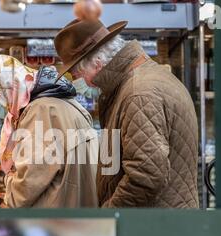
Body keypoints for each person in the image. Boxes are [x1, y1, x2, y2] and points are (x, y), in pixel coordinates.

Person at [54, 19, 199, 208]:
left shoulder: (138, 93)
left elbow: (146, 175)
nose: (78, 81)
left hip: (153, 230)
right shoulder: (144, 80)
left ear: (96, 63)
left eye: (76, 74)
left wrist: (107, 216)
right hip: (164, 222)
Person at [0, 55, 98, 208]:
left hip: (56, 211)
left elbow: (31, 177)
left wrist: (9, 206)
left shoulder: (42, 110)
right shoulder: (54, 102)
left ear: (5, 85)